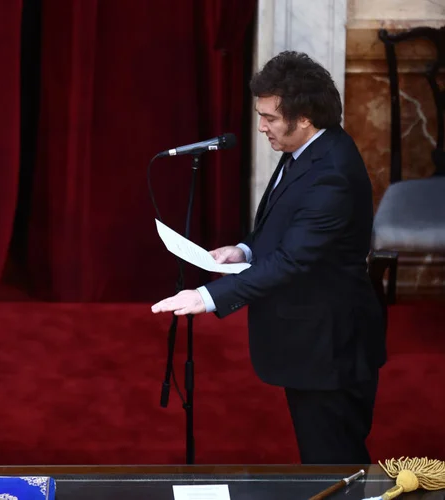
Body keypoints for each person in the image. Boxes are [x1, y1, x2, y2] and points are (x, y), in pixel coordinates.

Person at [151, 51, 386, 465]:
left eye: (270, 118)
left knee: (333, 463)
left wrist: (207, 296)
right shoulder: (306, 151)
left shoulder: (331, 171)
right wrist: (243, 249)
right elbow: (283, 222)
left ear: (306, 117)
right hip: (312, 337)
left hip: (329, 346)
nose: (261, 128)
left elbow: (294, 261)